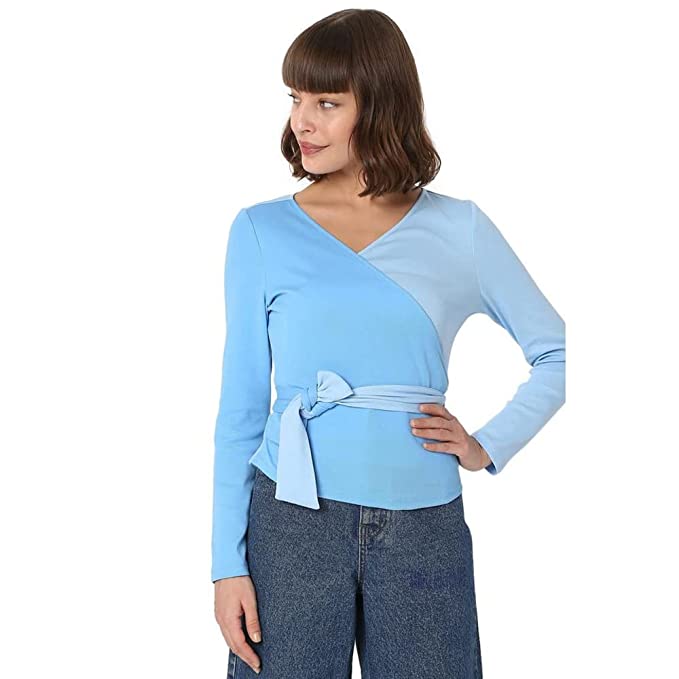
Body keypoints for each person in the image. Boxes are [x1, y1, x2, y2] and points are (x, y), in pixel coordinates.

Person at [211, 9, 565, 678]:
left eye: (326, 103)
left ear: (379, 105)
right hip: (290, 522)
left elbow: (559, 353)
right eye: (295, 98)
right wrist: (226, 564)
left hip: (422, 526)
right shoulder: (260, 231)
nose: (302, 121)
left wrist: (486, 444)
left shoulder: (459, 230)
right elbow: (240, 409)